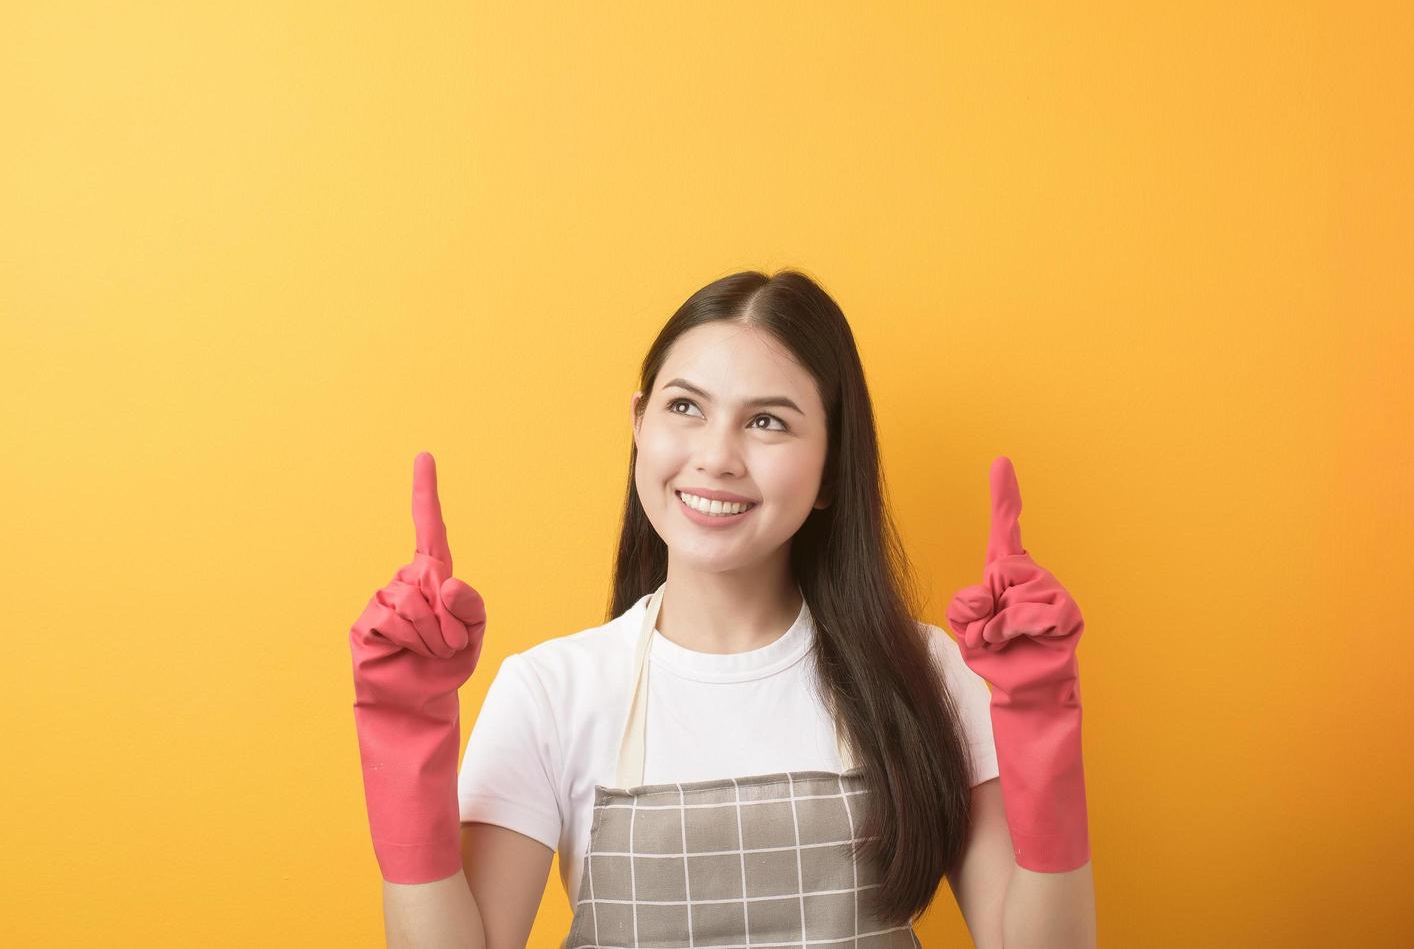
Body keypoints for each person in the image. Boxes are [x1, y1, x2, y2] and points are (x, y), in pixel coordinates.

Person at [349, 269, 1096, 948]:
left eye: (767, 421)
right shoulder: (551, 692)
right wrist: (404, 743)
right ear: (639, 425)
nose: (717, 456)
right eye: (686, 408)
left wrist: (1037, 715)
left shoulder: (925, 672)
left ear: (833, 468)